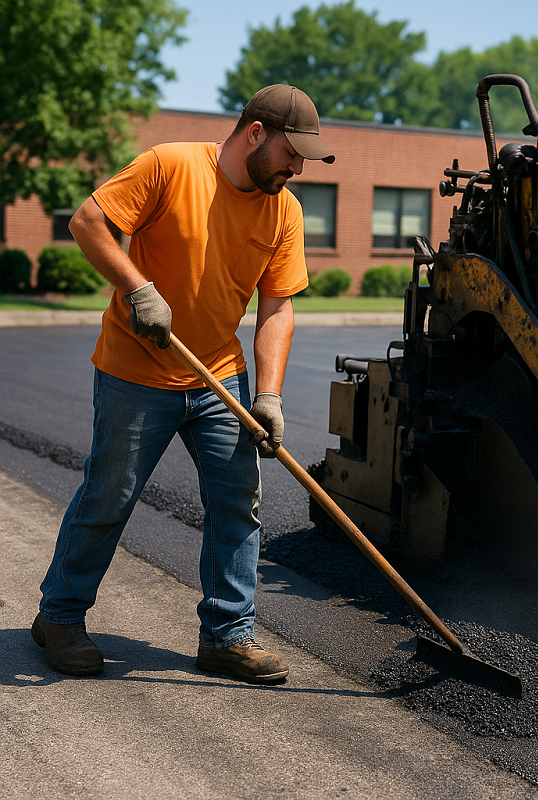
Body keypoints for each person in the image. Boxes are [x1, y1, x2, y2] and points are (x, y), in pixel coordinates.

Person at [31, 85, 335, 684]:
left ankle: (227, 635)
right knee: (110, 495)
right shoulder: (170, 165)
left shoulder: (284, 210)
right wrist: (137, 289)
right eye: (291, 153)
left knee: (237, 502)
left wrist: (268, 394)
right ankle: (59, 617)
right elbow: (88, 222)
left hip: (219, 376)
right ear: (254, 133)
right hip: (135, 372)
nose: (297, 168)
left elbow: (277, 307)